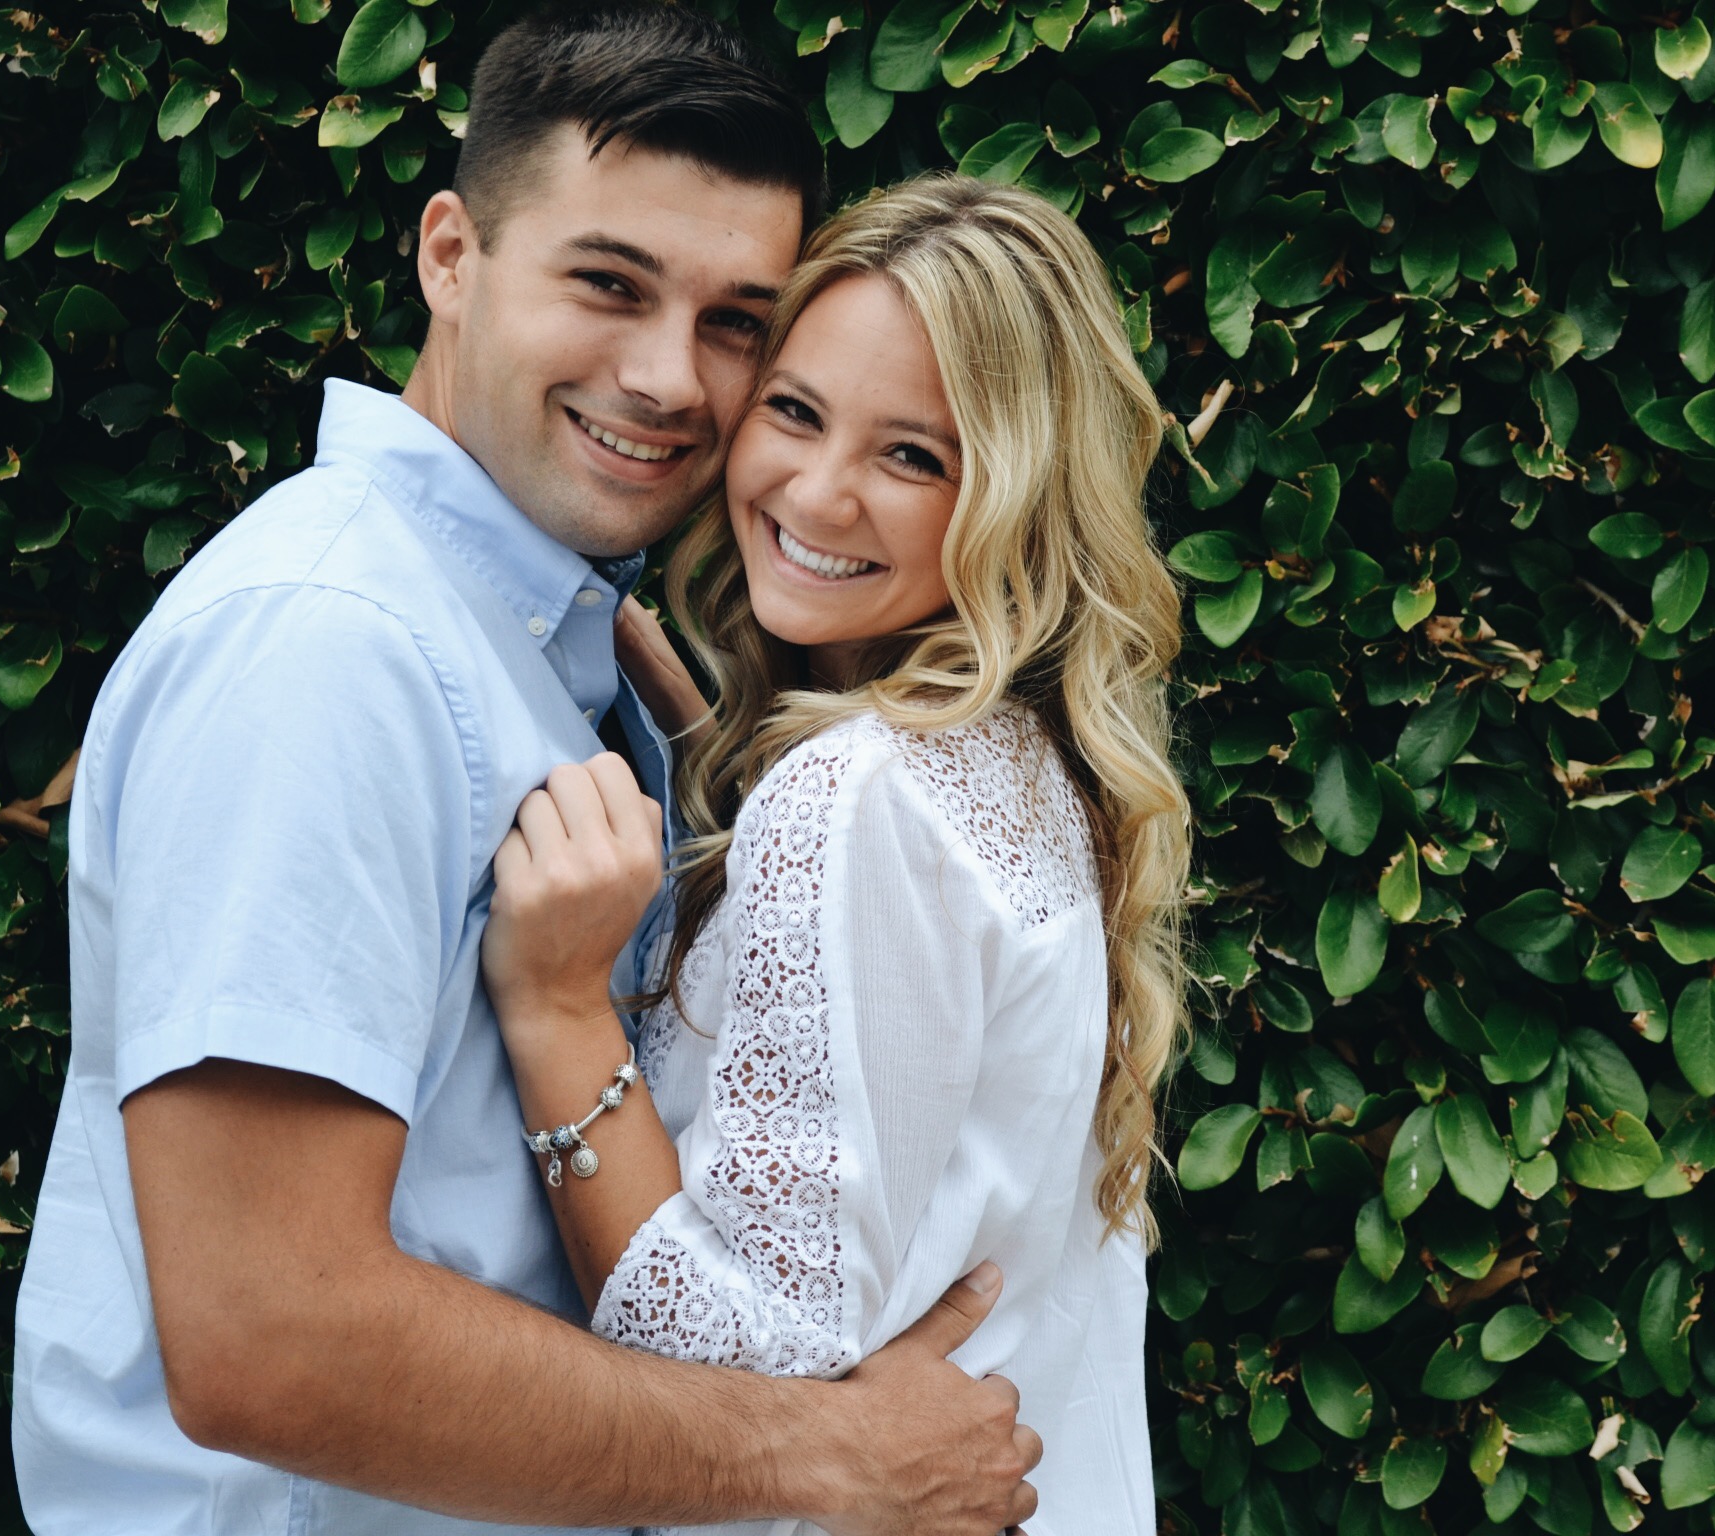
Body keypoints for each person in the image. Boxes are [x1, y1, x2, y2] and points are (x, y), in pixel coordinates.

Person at [12, 7, 1037, 1533]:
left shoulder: (546, 642)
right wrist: (823, 1453)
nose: (671, 378)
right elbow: (269, 1336)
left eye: (735, 323)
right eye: (608, 284)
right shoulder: (331, 647)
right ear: (451, 255)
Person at [476, 174, 1191, 1535]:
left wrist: (559, 1012)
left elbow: (756, 1372)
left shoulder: (857, 796)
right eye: (796, 413)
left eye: (912, 457)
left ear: (1017, 496)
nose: (817, 491)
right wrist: (721, 759)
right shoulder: (1025, 762)